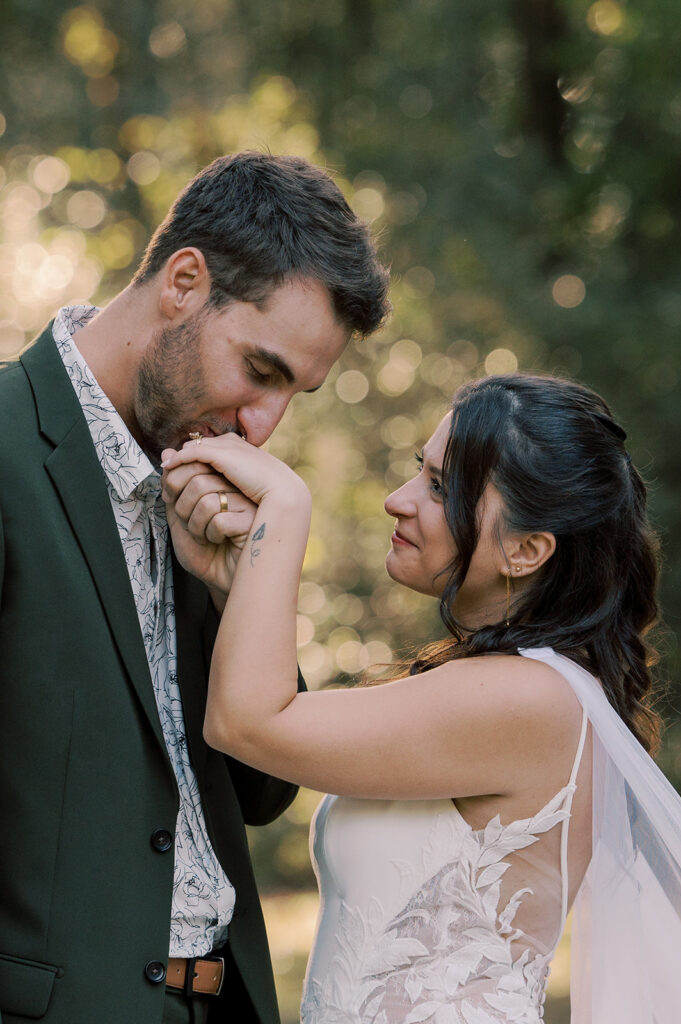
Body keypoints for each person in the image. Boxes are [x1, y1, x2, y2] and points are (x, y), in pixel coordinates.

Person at [0, 152, 390, 1024]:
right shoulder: (8, 456)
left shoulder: (209, 495)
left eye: (295, 392)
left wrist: (232, 588)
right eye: (261, 368)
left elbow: (261, 792)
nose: (264, 423)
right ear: (183, 282)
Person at [161, 372, 681, 1024]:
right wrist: (233, 588)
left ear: (526, 550)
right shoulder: (498, 683)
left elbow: (245, 724)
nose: (395, 500)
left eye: (440, 489)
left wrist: (284, 508)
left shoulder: (526, 698)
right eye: (420, 471)